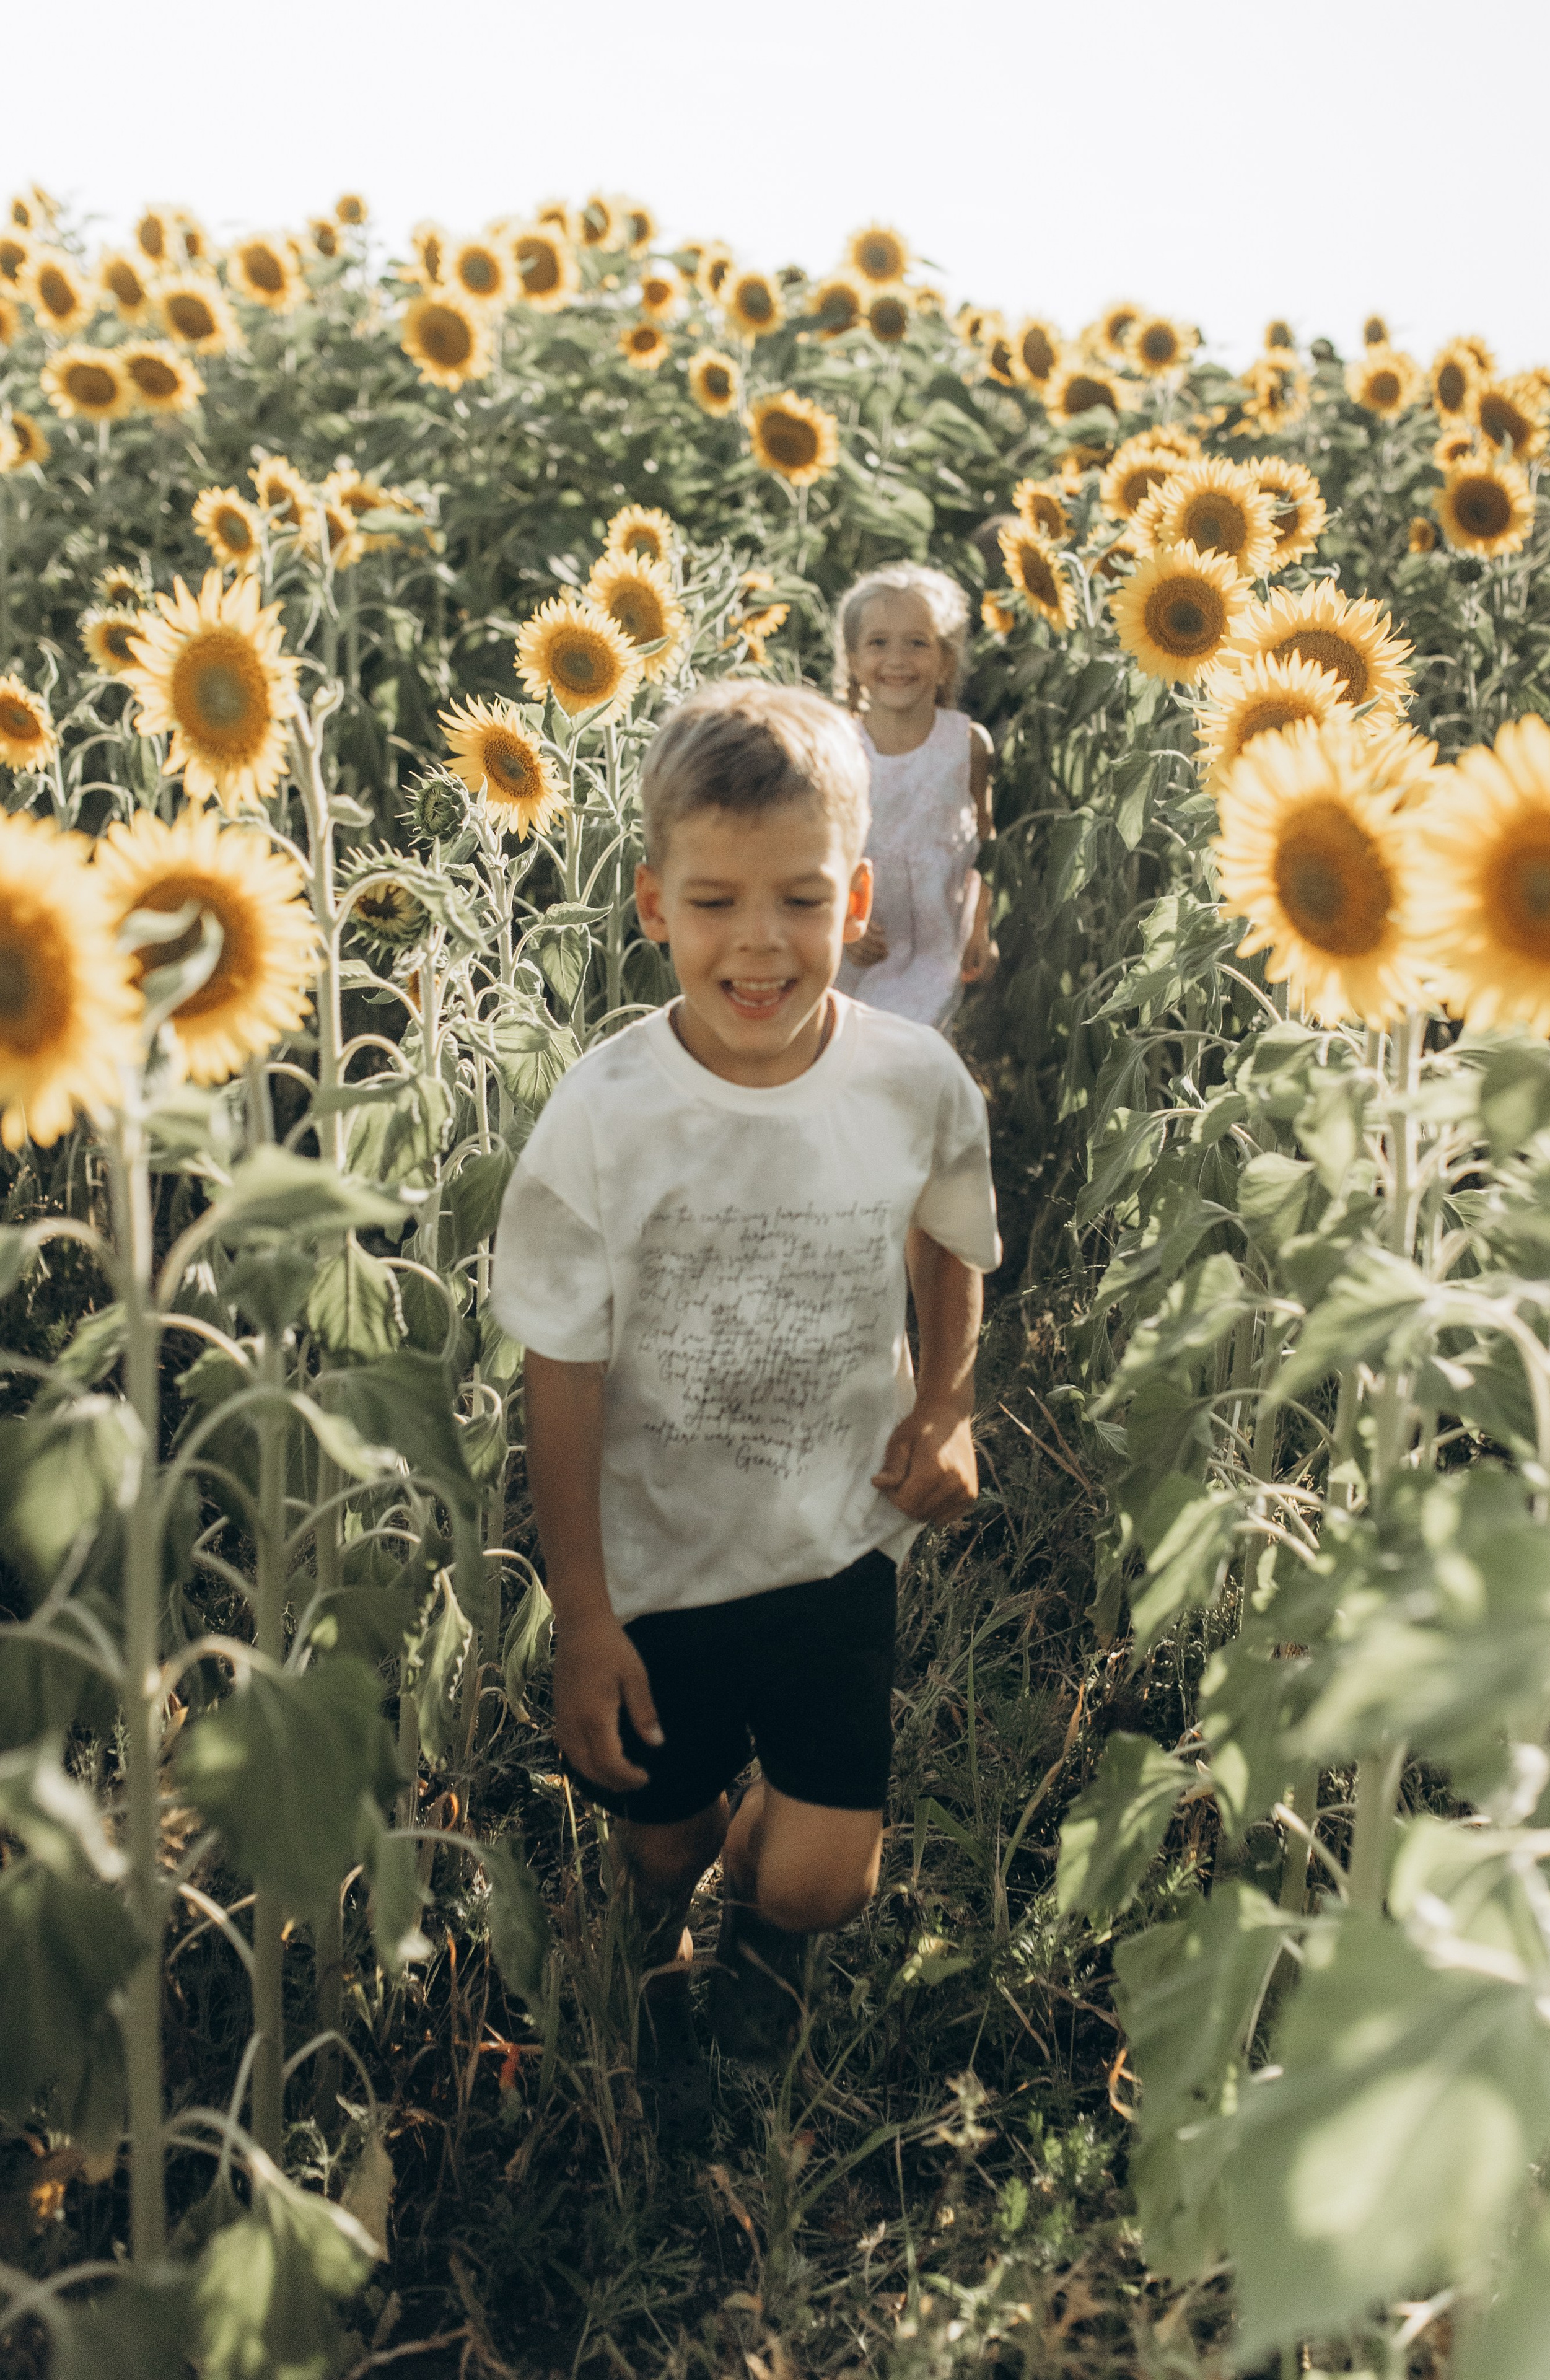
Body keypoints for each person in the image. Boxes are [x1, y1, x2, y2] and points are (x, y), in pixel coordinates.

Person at [490, 680, 1000, 2143]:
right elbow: (561, 1366)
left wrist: (949, 1397)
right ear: (652, 903)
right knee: (662, 1844)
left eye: (795, 897)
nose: (758, 940)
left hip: (834, 1536)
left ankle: (761, 1933)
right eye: (714, 900)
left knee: (821, 1878)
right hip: (656, 1560)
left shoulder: (910, 1079)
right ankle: (661, 1935)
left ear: (856, 897)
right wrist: (581, 1612)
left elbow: (950, 1232)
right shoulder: (606, 1112)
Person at [833, 563, 998, 1030]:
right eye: (878, 642)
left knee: (919, 1044)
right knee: (852, 1044)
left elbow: (985, 843)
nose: (897, 659)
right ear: (853, 658)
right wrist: (841, 919)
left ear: (946, 658)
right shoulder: (838, 745)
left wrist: (982, 924)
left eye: (917, 642)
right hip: (862, 940)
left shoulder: (966, 745)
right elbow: (816, 845)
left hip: (936, 938)